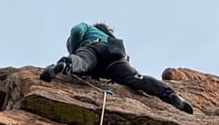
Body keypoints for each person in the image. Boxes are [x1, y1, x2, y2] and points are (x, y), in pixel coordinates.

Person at [40, 22, 194, 114]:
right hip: (114, 56)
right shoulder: (112, 39)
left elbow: (76, 30)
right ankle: (169, 94)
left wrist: (73, 51)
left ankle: (66, 64)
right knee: (136, 79)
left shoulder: (87, 28)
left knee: (81, 61)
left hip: (92, 48)